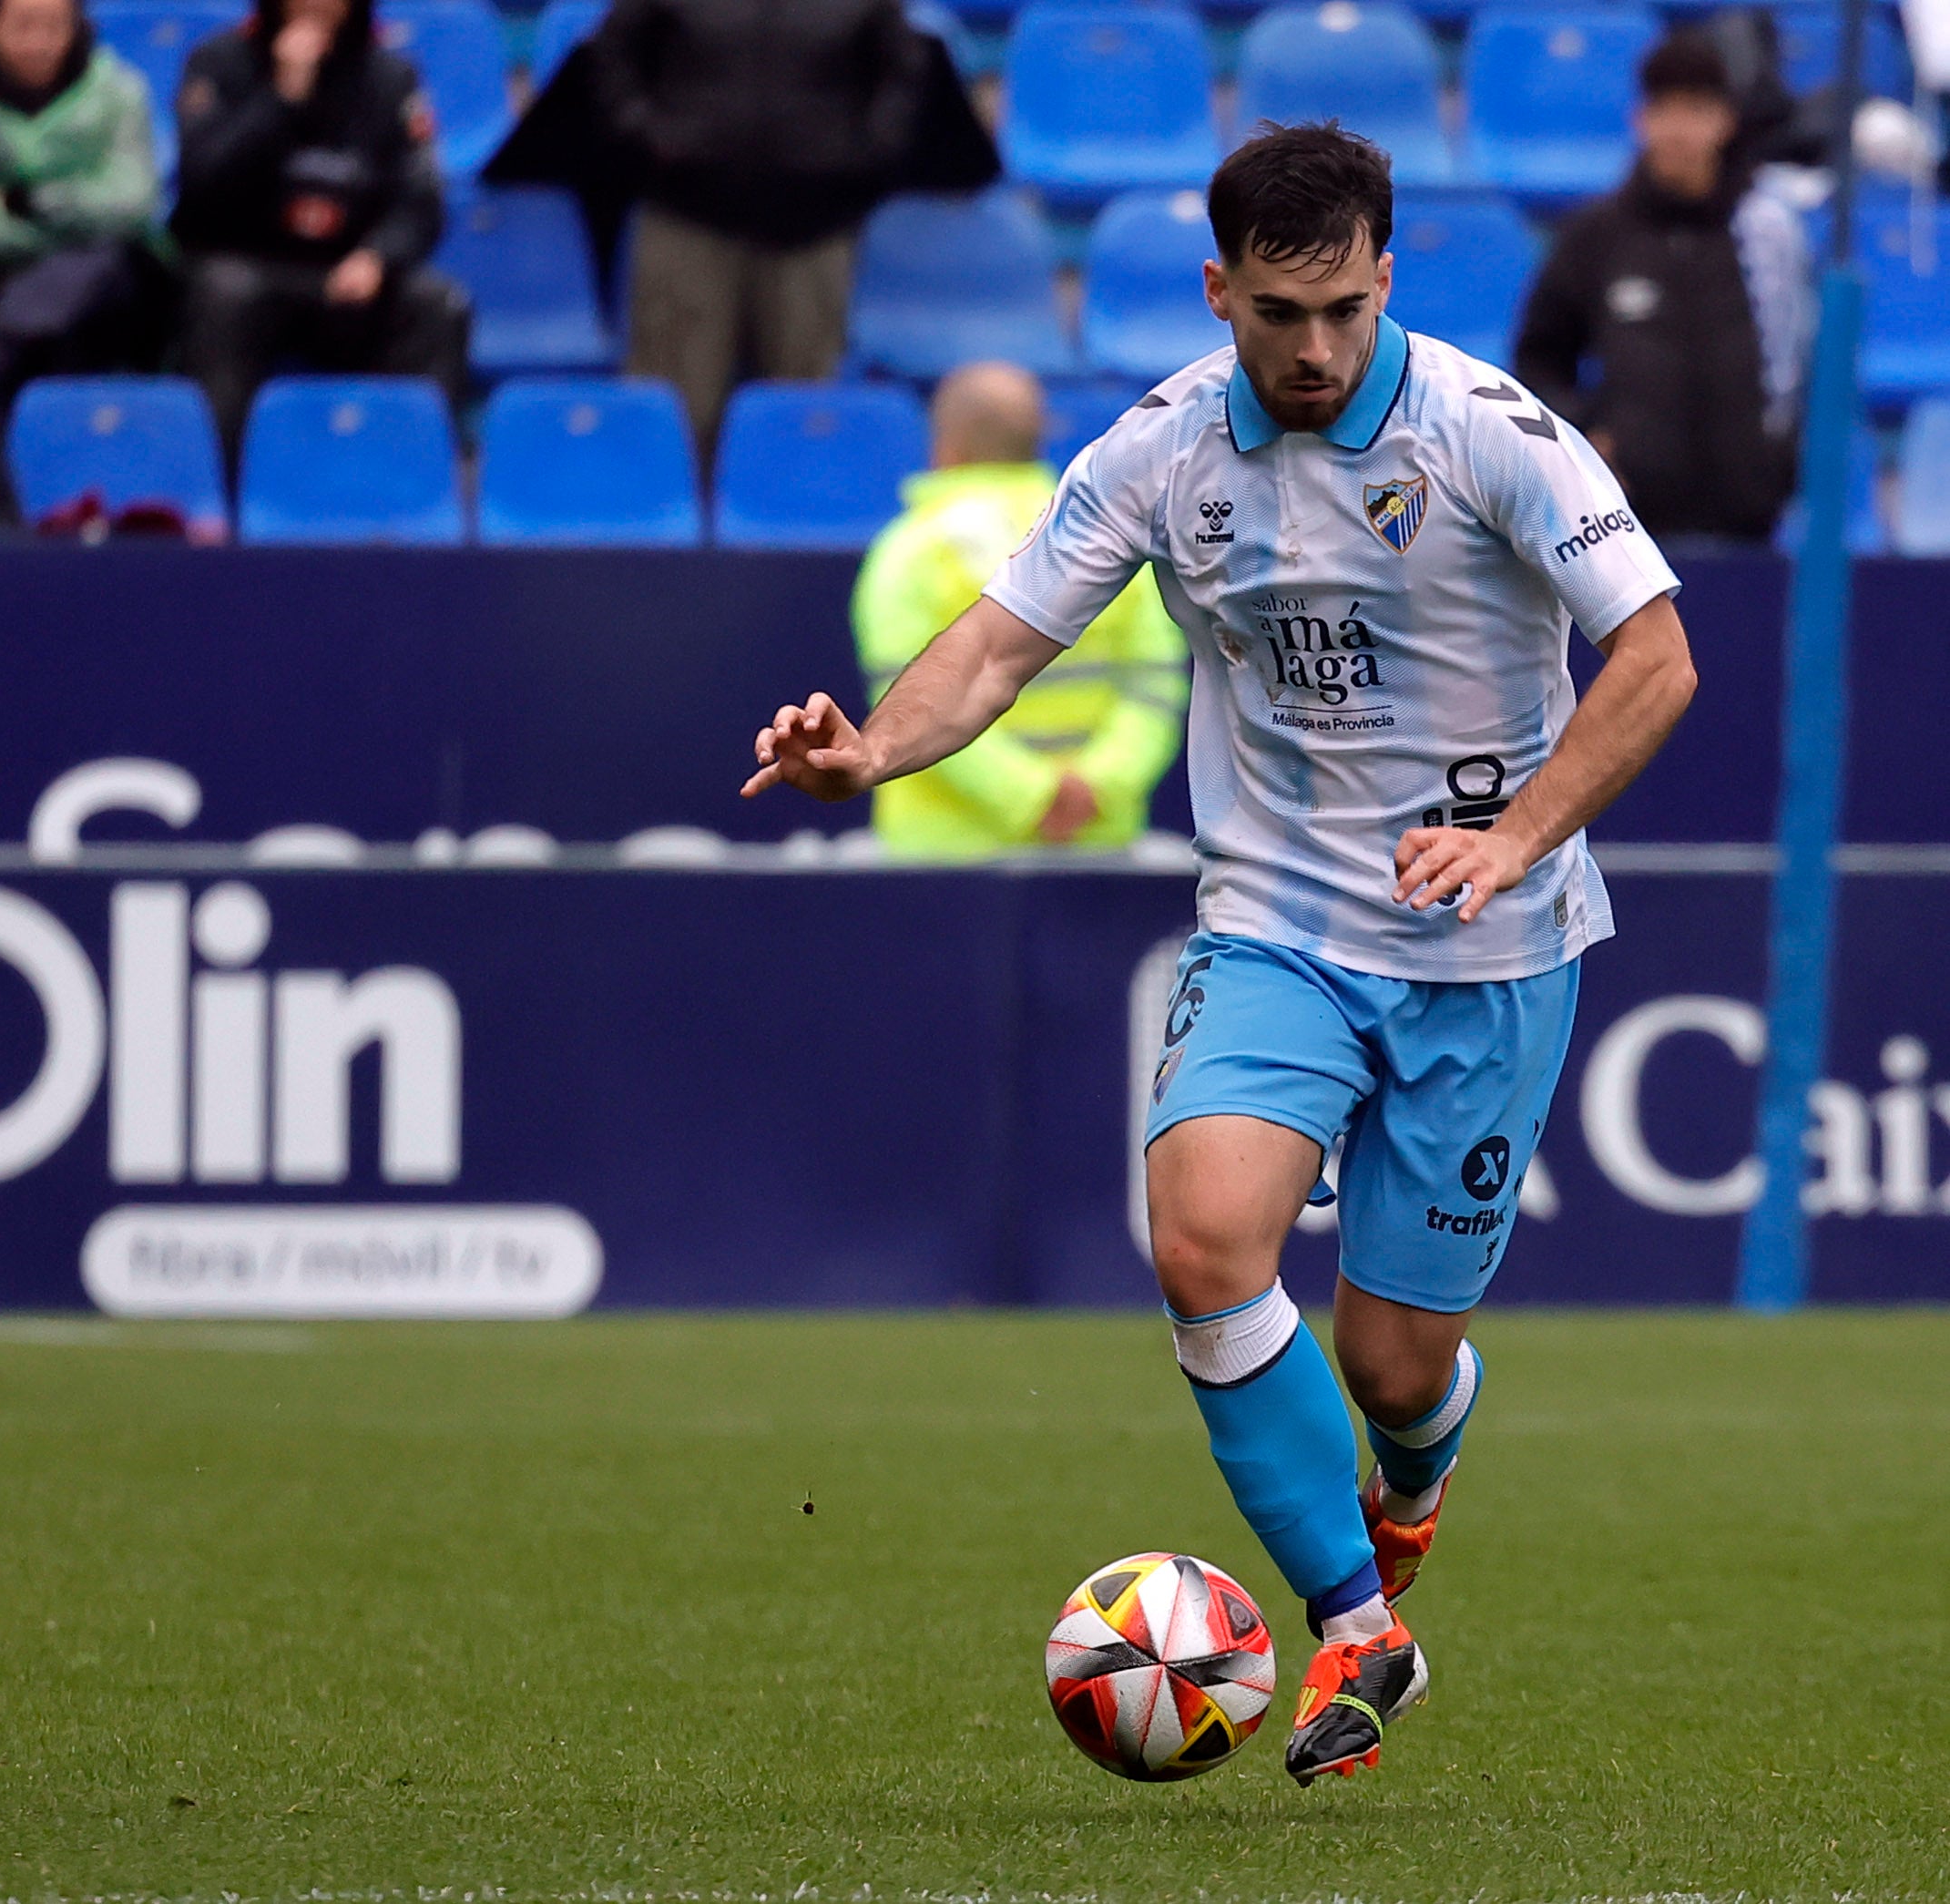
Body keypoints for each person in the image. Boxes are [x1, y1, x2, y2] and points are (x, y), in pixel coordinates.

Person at [743, 124, 1696, 1784]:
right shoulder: (1162, 449)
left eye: (1338, 308)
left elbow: (1656, 658)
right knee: (1197, 1241)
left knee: (1391, 1369)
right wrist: (872, 752)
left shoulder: (1488, 433)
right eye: (1274, 313)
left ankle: (1414, 1461)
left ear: (1384, 276)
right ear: (1216, 293)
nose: (1312, 349)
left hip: (1491, 942)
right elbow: (993, 644)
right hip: (1274, 923)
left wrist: (1515, 833)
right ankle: (1355, 1625)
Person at [852, 363, 1188, 856]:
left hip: (940, 855)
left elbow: (906, 709)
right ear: (1038, 439)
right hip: (1097, 842)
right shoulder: (1111, 542)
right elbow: (1155, 687)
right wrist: (1094, 788)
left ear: (945, 447)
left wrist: (1029, 797)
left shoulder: (908, 553)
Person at [586, 0, 930, 455]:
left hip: (813, 225)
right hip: (688, 216)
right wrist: (649, 135)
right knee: (675, 406)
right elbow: (609, 54)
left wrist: (862, 154)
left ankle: (793, 514)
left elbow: (904, 71)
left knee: (804, 409)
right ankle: (669, 516)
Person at [1514, 32, 1812, 547]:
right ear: (1641, 119)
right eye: (1664, 110)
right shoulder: (1595, 235)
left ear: (1725, 121)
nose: (1678, 129)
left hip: (1750, 529)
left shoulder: (1766, 233)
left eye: (1696, 110)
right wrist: (1588, 437)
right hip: (1629, 533)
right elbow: (1538, 357)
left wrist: (1777, 465)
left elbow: (1803, 359)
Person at [169, 0, 470, 458]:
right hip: (249, 267)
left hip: (351, 275)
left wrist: (379, 256)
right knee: (224, 295)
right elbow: (202, 187)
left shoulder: (392, 77)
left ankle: (413, 485)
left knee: (438, 305)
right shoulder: (218, 63)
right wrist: (282, 100)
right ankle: (219, 490)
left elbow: (421, 201)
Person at [0, 0, 162, 343]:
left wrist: (35, 203)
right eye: (22, 26)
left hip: (95, 269)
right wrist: (32, 240)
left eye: (55, 27)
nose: (39, 44)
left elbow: (134, 198)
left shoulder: (119, 91)